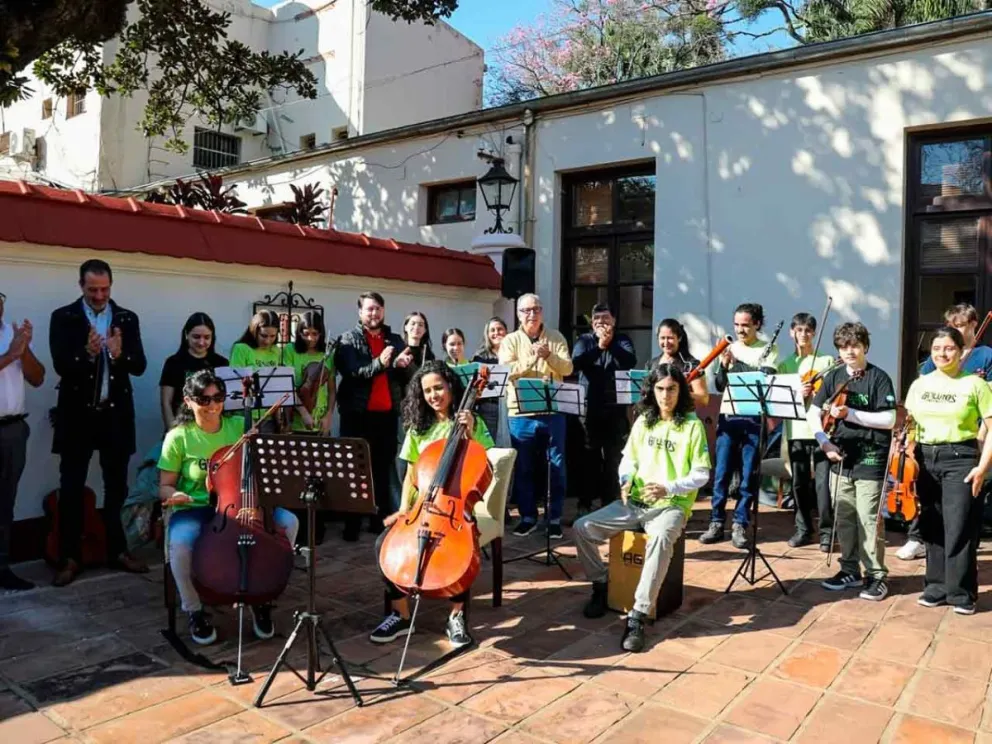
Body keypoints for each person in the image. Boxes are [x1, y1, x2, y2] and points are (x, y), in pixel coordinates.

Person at [574, 363, 710, 651]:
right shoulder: (643, 421)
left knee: (660, 539)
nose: (665, 395)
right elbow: (628, 459)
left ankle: (637, 615)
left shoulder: (692, 425)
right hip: (635, 502)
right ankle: (601, 584)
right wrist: (625, 478)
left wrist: (668, 487)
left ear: (681, 391)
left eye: (672, 389)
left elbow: (702, 474)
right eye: (660, 389)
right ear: (651, 391)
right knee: (582, 528)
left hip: (671, 505)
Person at [158, 370, 299, 644]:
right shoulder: (178, 437)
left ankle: (262, 594)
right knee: (180, 542)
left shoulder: (239, 427)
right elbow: (164, 485)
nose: (213, 405)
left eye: (218, 398)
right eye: (204, 399)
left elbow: (264, 468)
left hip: (244, 504)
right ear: (188, 401)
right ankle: (194, 609)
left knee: (289, 522)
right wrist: (175, 495)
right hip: (197, 507)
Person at [369, 361, 493, 648]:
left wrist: (471, 433)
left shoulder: (471, 424)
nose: (434, 395)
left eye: (438, 387)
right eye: (427, 391)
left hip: (455, 508)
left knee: (460, 552)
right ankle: (399, 616)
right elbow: (412, 474)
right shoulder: (418, 429)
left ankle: (456, 617)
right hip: (421, 507)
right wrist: (403, 510)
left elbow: (484, 461)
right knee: (382, 545)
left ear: (450, 386)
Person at [49, 259, 149, 586]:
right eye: (92, 289)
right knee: (71, 487)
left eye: (104, 289)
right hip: (77, 416)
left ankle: (118, 550)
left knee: (117, 486)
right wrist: (88, 354)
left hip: (115, 415)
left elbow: (140, 366)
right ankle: (69, 557)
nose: (99, 295)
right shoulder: (63, 317)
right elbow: (62, 365)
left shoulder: (126, 318)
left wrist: (120, 355)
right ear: (81, 286)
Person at [905, 327, 992, 615]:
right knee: (931, 524)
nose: (942, 354)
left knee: (959, 526)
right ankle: (936, 587)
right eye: (937, 349)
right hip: (926, 458)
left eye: (949, 348)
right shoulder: (920, 383)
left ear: (961, 350)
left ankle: (961, 593)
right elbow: (910, 425)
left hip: (961, 457)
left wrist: (982, 467)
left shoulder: (976, 384)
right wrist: (905, 449)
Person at [808, 322, 896, 602]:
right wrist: (824, 441)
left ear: (865, 347)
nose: (849, 352)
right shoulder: (834, 377)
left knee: (868, 519)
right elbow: (813, 411)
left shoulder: (879, 378)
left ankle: (876, 575)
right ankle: (849, 569)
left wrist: (851, 414)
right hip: (840, 455)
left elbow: (889, 419)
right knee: (844, 517)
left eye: (855, 346)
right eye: (844, 347)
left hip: (871, 456)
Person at [700, 303, 778, 549]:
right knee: (721, 473)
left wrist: (737, 362)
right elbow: (721, 385)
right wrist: (723, 365)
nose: (740, 330)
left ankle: (740, 523)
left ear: (757, 324)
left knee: (748, 476)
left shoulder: (769, 349)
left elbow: (761, 379)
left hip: (754, 419)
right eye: (737, 324)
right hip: (728, 416)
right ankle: (716, 521)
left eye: (745, 324)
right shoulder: (730, 348)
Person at [335, 291, 411, 540]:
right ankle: (352, 525)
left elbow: (405, 376)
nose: (374, 313)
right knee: (355, 471)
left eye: (378, 308)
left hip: (387, 415)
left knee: (381, 470)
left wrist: (402, 366)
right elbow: (352, 372)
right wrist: (381, 363)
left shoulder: (395, 339)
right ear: (360, 312)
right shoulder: (347, 339)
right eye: (369, 309)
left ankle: (379, 521)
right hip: (358, 415)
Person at [499, 294, 573, 538]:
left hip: (553, 412)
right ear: (518, 314)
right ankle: (528, 517)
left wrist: (549, 356)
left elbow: (568, 368)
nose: (532, 315)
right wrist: (534, 356)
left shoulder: (556, 337)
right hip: (521, 414)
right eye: (527, 310)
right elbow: (507, 372)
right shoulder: (510, 341)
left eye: (537, 309)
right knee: (524, 468)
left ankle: (553, 518)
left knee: (557, 467)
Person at [571, 303, 637, 518]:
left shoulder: (623, 340)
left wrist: (610, 345)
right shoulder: (584, 340)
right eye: (596, 318)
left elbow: (630, 360)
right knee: (587, 458)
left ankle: (609, 503)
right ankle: (585, 501)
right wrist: (599, 346)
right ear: (592, 322)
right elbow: (577, 363)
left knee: (613, 458)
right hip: (589, 408)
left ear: (614, 321)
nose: (601, 321)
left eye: (605, 318)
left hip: (615, 408)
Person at [776, 312, 835, 549]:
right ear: (792, 333)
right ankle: (803, 529)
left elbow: (832, 392)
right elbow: (781, 399)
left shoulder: (826, 360)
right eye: (799, 330)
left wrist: (818, 395)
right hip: (796, 429)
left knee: (822, 484)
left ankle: (827, 533)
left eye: (808, 330)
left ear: (814, 333)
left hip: (821, 429)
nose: (804, 335)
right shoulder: (785, 365)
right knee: (799, 483)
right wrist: (797, 394)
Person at [0, 291, 45, 591]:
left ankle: (2, 567)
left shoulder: (10, 331)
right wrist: (10, 356)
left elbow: (38, 377)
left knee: (5, 502)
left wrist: (24, 349)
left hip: (13, 428)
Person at [159, 312, 228, 431]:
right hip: (183, 427)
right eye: (196, 337)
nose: (201, 342)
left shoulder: (221, 363)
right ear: (186, 335)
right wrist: (172, 432)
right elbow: (166, 402)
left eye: (207, 337)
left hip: (213, 429)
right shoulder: (173, 363)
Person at [646, 318, 709, 408]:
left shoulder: (691, 364)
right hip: (656, 417)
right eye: (662, 338)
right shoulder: (651, 364)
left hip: (682, 417)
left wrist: (678, 393)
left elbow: (703, 400)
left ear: (679, 338)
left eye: (670, 338)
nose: (666, 342)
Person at [291, 310, 335, 435]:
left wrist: (329, 415)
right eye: (306, 334)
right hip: (297, 422)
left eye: (315, 334)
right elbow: (288, 387)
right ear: (299, 333)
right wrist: (304, 412)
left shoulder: (327, 354)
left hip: (321, 422)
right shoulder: (291, 350)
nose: (311, 338)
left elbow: (332, 390)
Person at [472, 317, 509, 444]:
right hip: (489, 406)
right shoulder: (481, 356)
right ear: (487, 335)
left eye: (500, 329)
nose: (496, 333)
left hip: (511, 406)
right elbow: (475, 385)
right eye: (492, 330)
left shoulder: (513, 352)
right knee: (490, 445)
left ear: (506, 332)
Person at [396, 311, 435, 392]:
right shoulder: (398, 350)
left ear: (425, 330)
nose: (416, 327)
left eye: (420, 325)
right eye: (413, 323)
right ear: (405, 327)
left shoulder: (429, 355)